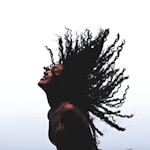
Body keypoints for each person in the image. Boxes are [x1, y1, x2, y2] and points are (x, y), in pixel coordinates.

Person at [38, 28, 133, 150]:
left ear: (62, 84)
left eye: (54, 72)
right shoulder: (51, 113)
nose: (47, 72)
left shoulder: (68, 110)